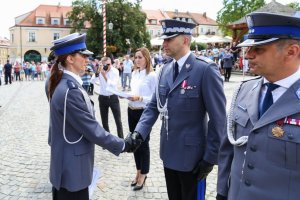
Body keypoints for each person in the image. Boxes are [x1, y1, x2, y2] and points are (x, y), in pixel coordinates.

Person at [124, 19, 226, 200]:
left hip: (194, 158)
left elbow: (218, 119)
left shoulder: (205, 70)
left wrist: (210, 158)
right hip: (169, 152)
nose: (164, 44)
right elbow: (154, 106)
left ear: (186, 40)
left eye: (169, 39)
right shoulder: (165, 70)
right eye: (164, 39)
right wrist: (138, 134)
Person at [217, 12, 300, 200]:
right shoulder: (243, 91)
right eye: (249, 48)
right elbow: (228, 150)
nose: (248, 55)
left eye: (259, 49)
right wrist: (222, 192)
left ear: (291, 51)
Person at [45, 32, 135, 200]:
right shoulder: (69, 90)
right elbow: (92, 129)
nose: (87, 60)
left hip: (67, 162)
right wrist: (123, 145)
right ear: (70, 59)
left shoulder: (59, 82)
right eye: (83, 55)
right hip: (72, 169)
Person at [127, 47, 157, 191]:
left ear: (146, 58)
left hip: (144, 112)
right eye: (135, 57)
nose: (137, 60)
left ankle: (144, 174)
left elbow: (155, 97)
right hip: (131, 110)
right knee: (133, 143)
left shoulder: (151, 75)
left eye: (140, 57)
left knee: (143, 144)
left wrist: (140, 98)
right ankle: (138, 170)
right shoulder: (134, 73)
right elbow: (133, 91)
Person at [93, 56, 124, 138]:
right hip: (102, 98)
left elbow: (113, 85)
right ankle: (107, 139)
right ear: (102, 64)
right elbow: (93, 81)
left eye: (109, 64)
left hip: (113, 97)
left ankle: (121, 139)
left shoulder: (115, 71)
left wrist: (104, 76)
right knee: (104, 121)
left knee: (118, 120)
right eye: (105, 64)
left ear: (111, 63)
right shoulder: (100, 70)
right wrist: (98, 72)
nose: (107, 66)